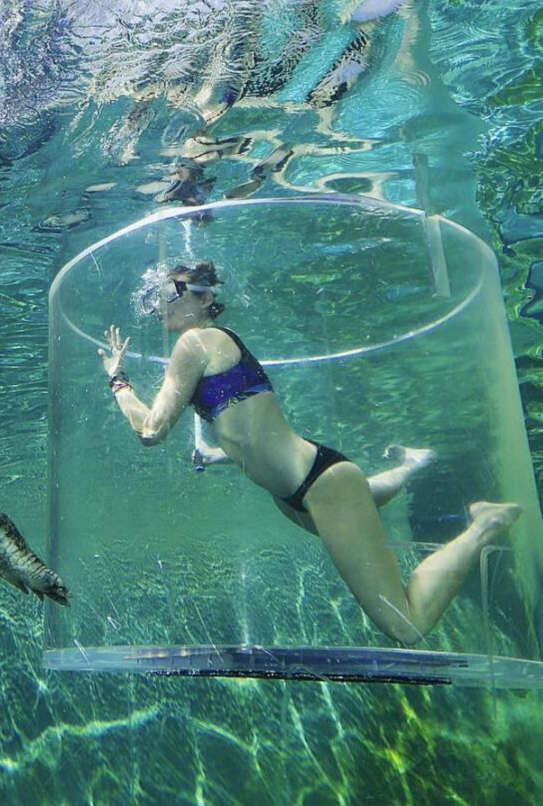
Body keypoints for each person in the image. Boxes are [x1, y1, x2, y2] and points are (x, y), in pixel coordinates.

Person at [99, 260, 521, 646]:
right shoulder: (207, 347)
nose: (160, 306)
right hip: (303, 493)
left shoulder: (197, 342)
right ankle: (411, 465)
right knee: (361, 498)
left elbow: (151, 430)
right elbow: (253, 433)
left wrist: (118, 381)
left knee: (404, 624)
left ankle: (485, 524)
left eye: (170, 293)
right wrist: (219, 454)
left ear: (205, 297)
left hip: (320, 484)